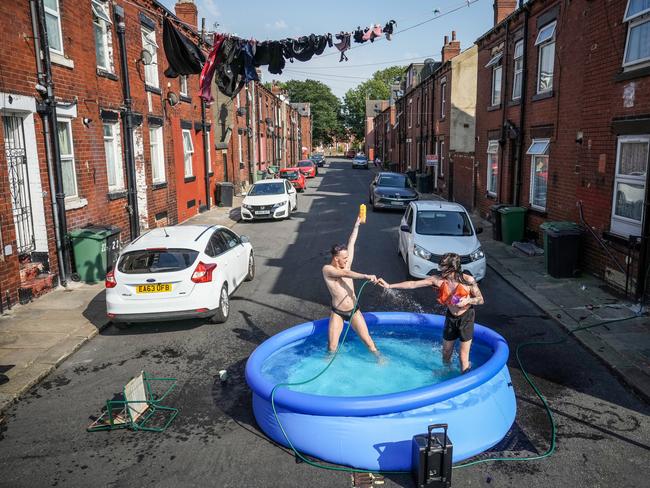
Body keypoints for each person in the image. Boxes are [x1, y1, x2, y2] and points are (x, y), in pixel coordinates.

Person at [378, 253, 484, 373]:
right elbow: (413, 284)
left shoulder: (468, 280)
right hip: (451, 317)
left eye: (444, 268)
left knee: (463, 357)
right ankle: (447, 371)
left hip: (466, 318)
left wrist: (468, 300)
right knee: (446, 352)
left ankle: (465, 381)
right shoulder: (438, 280)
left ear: (453, 268)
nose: (441, 271)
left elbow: (481, 299)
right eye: (441, 267)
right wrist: (389, 285)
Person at [322, 218, 381, 356]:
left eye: (348, 257)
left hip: (354, 310)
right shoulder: (327, 270)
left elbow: (351, 242)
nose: (348, 260)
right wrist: (366, 276)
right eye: (345, 258)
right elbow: (345, 273)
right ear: (336, 259)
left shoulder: (346, 263)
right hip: (338, 313)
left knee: (369, 343)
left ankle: (380, 360)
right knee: (332, 347)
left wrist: (356, 225)